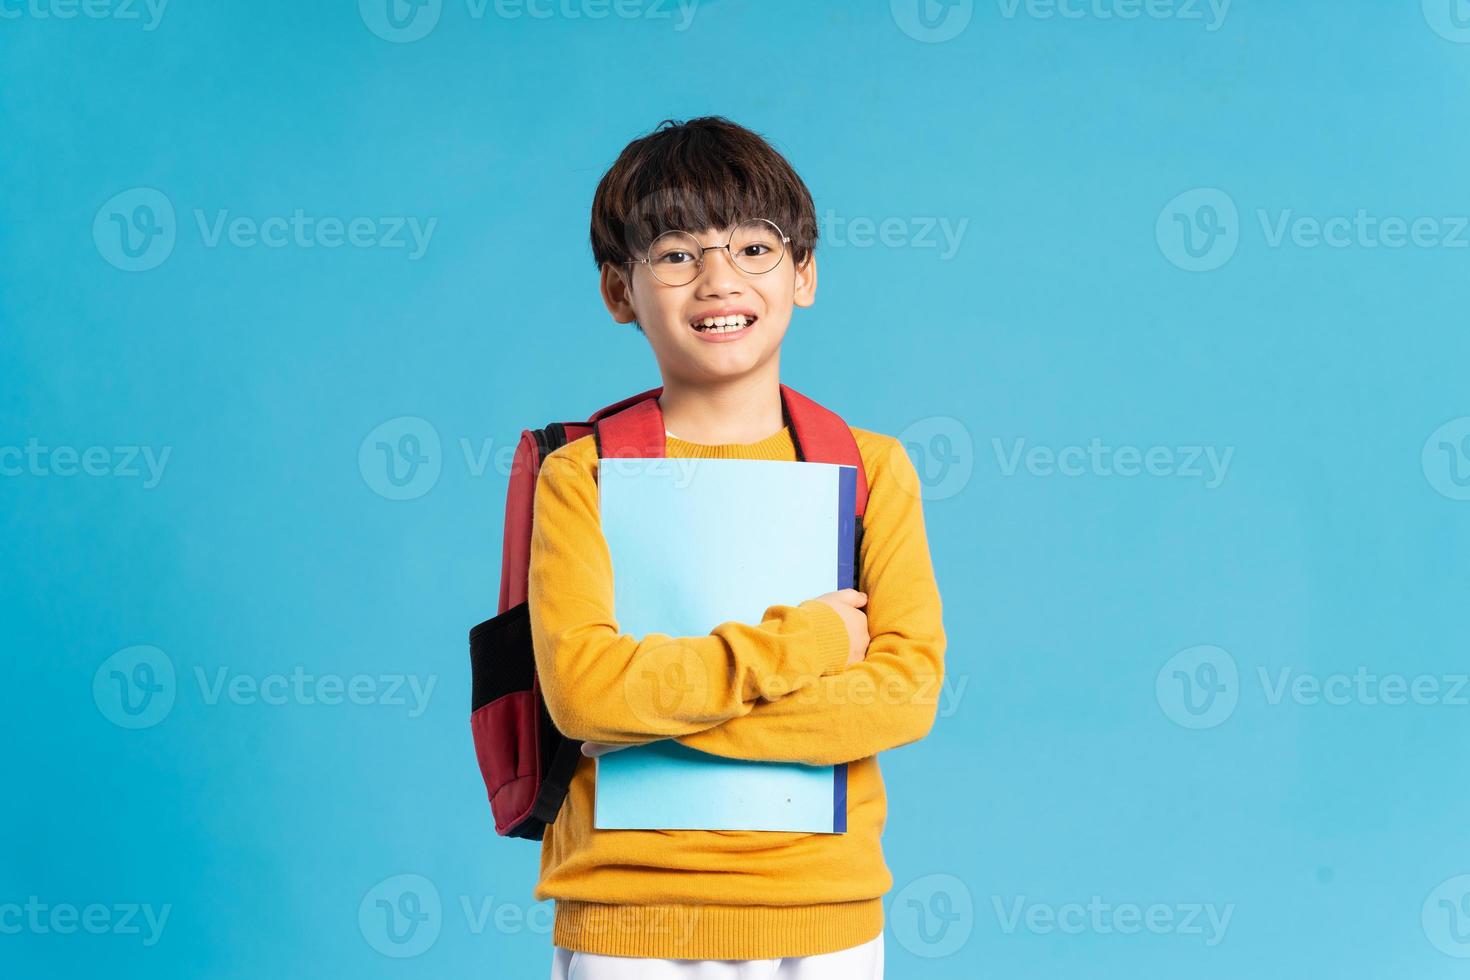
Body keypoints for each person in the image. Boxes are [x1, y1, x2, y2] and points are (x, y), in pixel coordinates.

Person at [527, 115, 947, 979]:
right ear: (619, 291)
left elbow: (904, 695)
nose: (719, 279)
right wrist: (816, 641)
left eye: (755, 248)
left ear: (804, 275)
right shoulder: (581, 476)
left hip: (824, 913)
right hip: (628, 916)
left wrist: (653, 722)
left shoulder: (871, 467)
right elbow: (583, 695)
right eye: (676, 254)